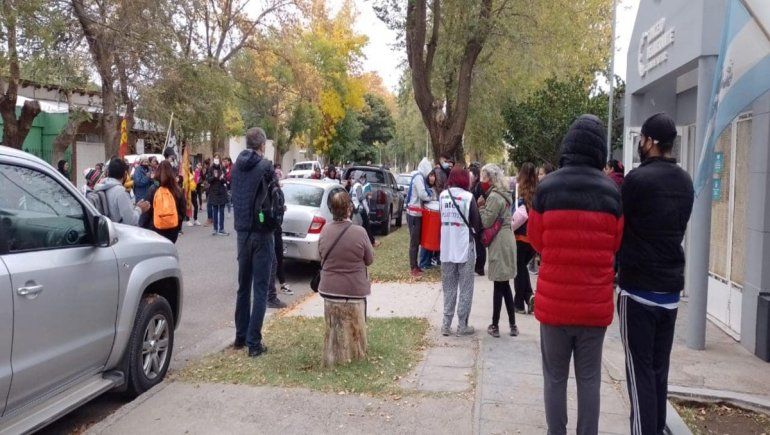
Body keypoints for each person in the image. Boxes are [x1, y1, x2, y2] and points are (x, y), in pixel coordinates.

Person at [528, 114, 623, 435]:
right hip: (593, 307)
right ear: (599, 150)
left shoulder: (547, 189)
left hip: (555, 307)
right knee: (589, 380)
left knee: (554, 378)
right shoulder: (612, 194)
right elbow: (616, 243)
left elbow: (537, 240)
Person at [617, 113, 694, 435]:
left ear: (648, 141)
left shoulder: (636, 181)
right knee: (659, 370)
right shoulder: (685, 181)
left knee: (639, 372)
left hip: (638, 290)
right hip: (670, 291)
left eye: (642, 140)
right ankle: (657, 428)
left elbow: (621, 227)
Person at [231, 127, 276, 357]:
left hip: (242, 231)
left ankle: (240, 337)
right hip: (261, 232)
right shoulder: (266, 167)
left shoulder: (235, 167)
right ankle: (254, 343)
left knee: (243, 287)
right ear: (262, 145)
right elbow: (276, 198)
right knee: (260, 288)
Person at [439, 167, 482, 336]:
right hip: (464, 246)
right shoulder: (468, 197)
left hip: (447, 246)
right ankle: (462, 325)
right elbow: (476, 224)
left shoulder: (443, 196)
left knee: (448, 287)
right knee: (465, 287)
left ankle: (445, 324)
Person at [479, 164, 518, 338]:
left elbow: (487, 221)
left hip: (499, 243)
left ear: (491, 179)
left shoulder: (494, 197)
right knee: (505, 284)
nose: (482, 181)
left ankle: (495, 325)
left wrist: (480, 207)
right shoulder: (506, 194)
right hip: (508, 239)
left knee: (498, 284)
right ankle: (512, 324)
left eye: (484, 178)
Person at [318, 190, 374, 303]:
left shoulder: (325, 230)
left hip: (328, 289)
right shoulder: (360, 232)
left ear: (332, 210)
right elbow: (369, 260)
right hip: (355, 290)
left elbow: (321, 255)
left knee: (332, 321)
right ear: (349, 210)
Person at [512, 162, 538, 315]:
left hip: (519, 236)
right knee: (522, 268)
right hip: (533, 238)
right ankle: (528, 297)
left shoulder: (519, 191)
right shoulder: (538, 192)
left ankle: (519, 303)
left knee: (518, 269)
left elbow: (514, 213)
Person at [94, 157, 150, 225]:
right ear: (124, 174)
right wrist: (140, 209)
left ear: (108, 172)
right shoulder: (121, 192)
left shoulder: (100, 186)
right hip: (119, 231)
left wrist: (134, 208)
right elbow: (130, 221)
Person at [140, 161, 186, 243]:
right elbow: (182, 210)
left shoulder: (153, 189)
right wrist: (178, 225)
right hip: (173, 229)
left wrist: (143, 227)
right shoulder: (177, 190)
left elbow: (147, 211)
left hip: (155, 229)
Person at [406, 158, 434, 277]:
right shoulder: (418, 178)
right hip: (414, 214)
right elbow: (422, 194)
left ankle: (416, 265)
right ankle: (413, 267)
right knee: (414, 242)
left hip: (416, 213)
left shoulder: (420, 177)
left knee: (417, 241)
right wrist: (431, 197)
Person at [418, 169, 440, 270]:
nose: (432, 178)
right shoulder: (424, 188)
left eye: (433, 176)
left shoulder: (435, 188)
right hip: (427, 216)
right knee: (426, 239)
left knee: (432, 238)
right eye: (430, 175)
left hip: (434, 217)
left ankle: (429, 261)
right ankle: (423, 262)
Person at [351, 171, 379, 247]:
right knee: (366, 226)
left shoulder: (354, 186)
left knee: (363, 226)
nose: (363, 179)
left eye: (363, 177)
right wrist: (366, 194)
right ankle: (372, 242)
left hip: (356, 208)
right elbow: (360, 198)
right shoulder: (359, 186)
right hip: (360, 209)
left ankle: (368, 242)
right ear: (358, 177)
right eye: (361, 177)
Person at [468, 162, 486, 276]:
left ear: (476, 176)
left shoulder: (479, 187)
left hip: (478, 218)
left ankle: (480, 267)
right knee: (478, 244)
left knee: (479, 244)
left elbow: (480, 202)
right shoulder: (473, 186)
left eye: (471, 175)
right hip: (475, 217)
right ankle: (478, 266)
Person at [206, 157, 229, 236]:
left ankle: (221, 228)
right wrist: (214, 177)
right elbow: (208, 180)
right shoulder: (210, 169)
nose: (216, 160)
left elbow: (226, 179)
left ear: (219, 159)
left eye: (217, 158)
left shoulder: (222, 168)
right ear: (213, 160)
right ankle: (215, 229)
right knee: (215, 211)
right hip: (214, 192)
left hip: (222, 192)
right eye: (215, 158)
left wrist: (222, 178)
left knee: (222, 211)